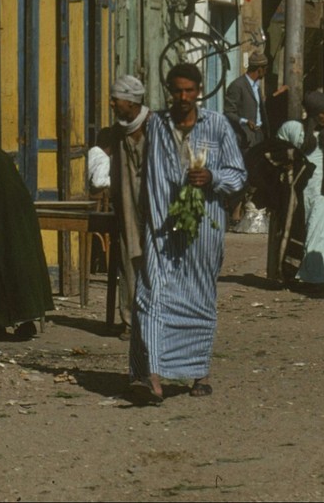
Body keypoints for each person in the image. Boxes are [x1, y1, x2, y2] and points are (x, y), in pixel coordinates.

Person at [127, 62, 247, 405]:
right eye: (177, 90)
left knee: (198, 296)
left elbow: (238, 173)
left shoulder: (218, 125)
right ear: (169, 91)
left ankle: (200, 371)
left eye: (189, 90)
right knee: (151, 295)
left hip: (203, 228)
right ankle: (150, 377)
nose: (183, 97)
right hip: (161, 226)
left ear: (199, 91)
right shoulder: (156, 125)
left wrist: (212, 178)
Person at [0, 126, 54, 339]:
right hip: (12, 208)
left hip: (3, 211)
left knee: (1, 263)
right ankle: (19, 319)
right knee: (15, 263)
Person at [101, 75, 153, 326]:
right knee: (128, 260)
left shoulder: (154, 126)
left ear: (131, 102)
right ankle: (130, 320)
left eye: (115, 100)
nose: (112, 104)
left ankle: (156, 319)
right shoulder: (117, 132)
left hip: (154, 204)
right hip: (127, 207)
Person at [283, 91, 324, 290]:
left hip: (321, 189)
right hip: (298, 188)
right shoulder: (293, 129)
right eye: (322, 113)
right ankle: (296, 272)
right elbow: (279, 148)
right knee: (298, 229)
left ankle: (317, 276)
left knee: (319, 228)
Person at [224, 51, 270, 152]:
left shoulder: (256, 86)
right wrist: (245, 121)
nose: (266, 72)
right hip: (245, 139)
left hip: (259, 136)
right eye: (265, 69)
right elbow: (228, 112)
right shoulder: (237, 86)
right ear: (259, 70)